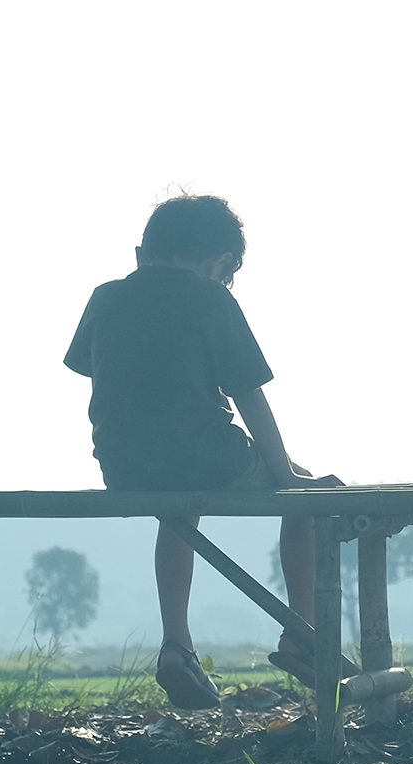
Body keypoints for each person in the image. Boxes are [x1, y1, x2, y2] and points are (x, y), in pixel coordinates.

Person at [65, 193, 338, 708]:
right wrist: (286, 477)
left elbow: (92, 369)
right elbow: (248, 393)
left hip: (123, 465)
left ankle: (177, 644)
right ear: (222, 264)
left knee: (178, 508)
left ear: (142, 253)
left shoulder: (105, 298)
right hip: (208, 456)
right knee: (309, 500)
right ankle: (303, 634)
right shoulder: (213, 300)